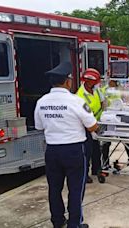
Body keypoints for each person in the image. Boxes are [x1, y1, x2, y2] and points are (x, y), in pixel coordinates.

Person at [34, 62, 97, 228]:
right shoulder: (76, 101)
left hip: (52, 151)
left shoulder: (41, 102)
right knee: (76, 189)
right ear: (67, 82)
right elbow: (92, 126)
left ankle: (57, 221)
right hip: (74, 151)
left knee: (54, 189)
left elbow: (39, 127)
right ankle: (74, 224)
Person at [100, 79, 129, 172]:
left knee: (127, 141)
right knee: (106, 143)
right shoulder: (104, 90)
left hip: (119, 117)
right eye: (114, 81)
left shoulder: (119, 89)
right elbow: (103, 104)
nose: (116, 83)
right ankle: (105, 163)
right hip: (109, 118)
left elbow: (125, 101)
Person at [76, 68, 104, 183]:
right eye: (95, 81)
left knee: (96, 150)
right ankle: (85, 174)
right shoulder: (80, 95)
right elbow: (82, 115)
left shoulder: (96, 90)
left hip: (97, 124)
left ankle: (96, 169)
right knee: (87, 151)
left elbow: (102, 102)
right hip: (85, 127)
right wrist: (91, 128)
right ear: (88, 81)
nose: (97, 83)